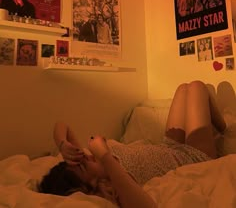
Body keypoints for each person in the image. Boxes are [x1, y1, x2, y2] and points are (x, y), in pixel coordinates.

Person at [40, 81, 226, 208]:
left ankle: (216, 123)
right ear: (94, 186)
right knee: (197, 86)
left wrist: (63, 144)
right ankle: (225, 127)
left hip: (169, 145)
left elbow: (61, 125)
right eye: (83, 166)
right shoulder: (116, 182)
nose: (86, 157)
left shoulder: (93, 160)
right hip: (192, 156)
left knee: (183, 88)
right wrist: (105, 157)